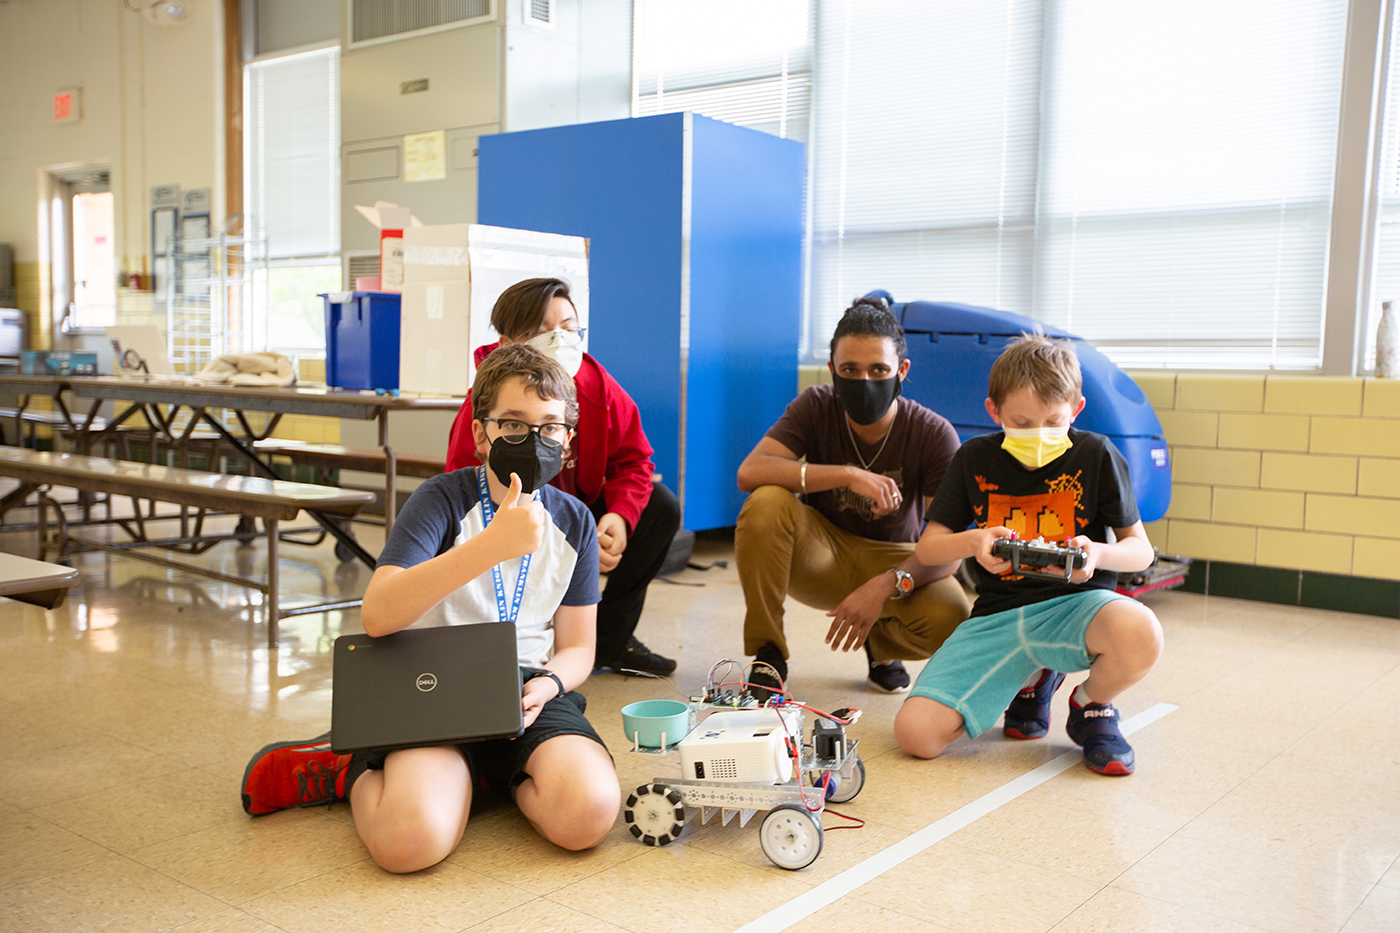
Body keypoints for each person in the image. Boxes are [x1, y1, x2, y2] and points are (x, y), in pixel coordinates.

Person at [241, 344, 620, 872]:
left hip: (523, 691)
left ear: (567, 440)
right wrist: (489, 546)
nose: (532, 440)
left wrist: (550, 684)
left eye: (549, 426)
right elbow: (378, 615)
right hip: (431, 686)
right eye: (513, 424)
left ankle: (482, 774)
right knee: (409, 845)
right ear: (481, 434)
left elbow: (579, 646)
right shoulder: (440, 500)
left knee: (590, 815)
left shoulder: (574, 520)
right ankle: (351, 769)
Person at [894, 333, 1164, 775]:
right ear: (993, 411)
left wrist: (1096, 553)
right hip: (998, 616)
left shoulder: (1096, 455)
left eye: (1054, 422)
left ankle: (1091, 705)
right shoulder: (973, 458)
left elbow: (1140, 552)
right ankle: (1030, 680)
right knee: (916, 736)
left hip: (1076, 607)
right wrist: (974, 542)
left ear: (1076, 409)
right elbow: (929, 546)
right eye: (1020, 424)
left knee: (1142, 633)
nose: (1038, 436)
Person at [735, 296, 972, 695]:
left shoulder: (933, 433)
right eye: (850, 369)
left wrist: (886, 585)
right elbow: (749, 472)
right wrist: (846, 475)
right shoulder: (815, 406)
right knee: (766, 501)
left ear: (902, 370)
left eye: (879, 369)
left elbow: (949, 550)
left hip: (895, 559)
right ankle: (767, 652)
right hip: (821, 554)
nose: (864, 381)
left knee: (951, 616)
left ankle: (881, 646)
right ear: (832, 370)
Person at [445, 278, 681, 676]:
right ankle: (518, 640)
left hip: (577, 508)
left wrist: (619, 517)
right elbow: (462, 487)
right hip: (510, 512)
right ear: (506, 342)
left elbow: (635, 460)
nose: (560, 340)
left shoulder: (596, 383)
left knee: (660, 508)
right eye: (541, 332)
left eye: (569, 328)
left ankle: (609, 640)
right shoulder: (486, 399)